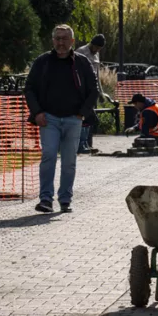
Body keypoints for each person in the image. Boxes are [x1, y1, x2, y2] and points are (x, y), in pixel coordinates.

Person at [24, 24, 99, 213]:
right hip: (48, 119)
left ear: (72, 41)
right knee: (48, 155)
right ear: (52, 40)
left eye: (64, 38)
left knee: (69, 161)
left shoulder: (82, 62)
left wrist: (82, 112)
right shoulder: (43, 62)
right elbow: (30, 88)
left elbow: (93, 90)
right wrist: (37, 112)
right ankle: (45, 199)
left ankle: (65, 199)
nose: (60, 42)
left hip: (74, 119)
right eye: (57, 38)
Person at [75, 34, 108, 154]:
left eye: (100, 48)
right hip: (83, 90)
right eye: (97, 47)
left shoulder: (96, 54)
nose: (98, 50)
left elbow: (97, 75)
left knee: (90, 118)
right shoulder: (81, 52)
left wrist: (100, 92)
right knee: (84, 116)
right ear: (92, 44)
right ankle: (80, 144)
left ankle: (88, 144)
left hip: (92, 90)